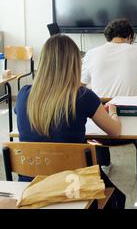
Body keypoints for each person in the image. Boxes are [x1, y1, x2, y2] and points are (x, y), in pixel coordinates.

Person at [15, 34, 126, 209]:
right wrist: (113, 112)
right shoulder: (82, 96)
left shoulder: (23, 95)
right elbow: (115, 131)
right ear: (74, 64)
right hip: (73, 184)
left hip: (32, 185)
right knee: (118, 197)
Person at [81, 18, 137, 173]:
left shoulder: (92, 54)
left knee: (97, 108)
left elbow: (78, 86)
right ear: (129, 37)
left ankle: (103, 164)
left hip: (98, 127)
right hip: (132, 122)